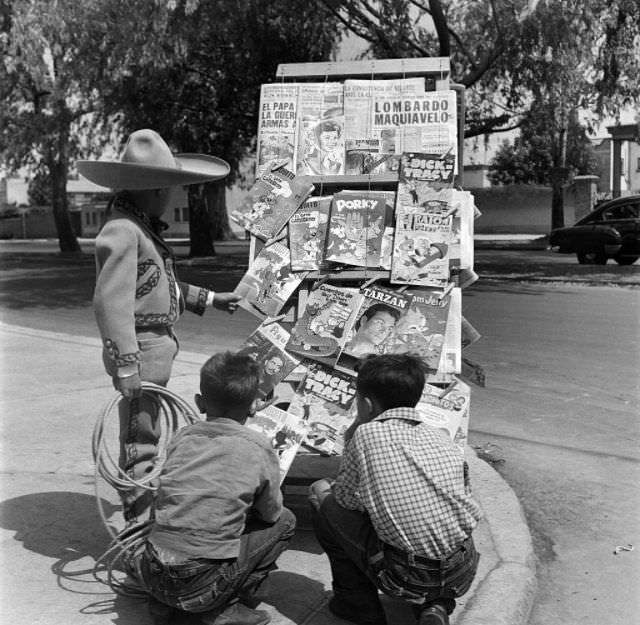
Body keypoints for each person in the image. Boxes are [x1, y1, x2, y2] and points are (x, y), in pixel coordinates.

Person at [78, 129, 242, 522]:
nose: (174, 198)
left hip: (154, 349)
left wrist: (211, 299)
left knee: (147, 430)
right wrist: (126, 365)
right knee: (141, 437)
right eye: (171, 189)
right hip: (141, 351)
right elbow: (112, 302)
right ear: (154, 191)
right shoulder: (122, 231)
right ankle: (137, 522)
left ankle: (144, 511)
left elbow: (156, 286)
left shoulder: (138, 227)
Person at [309, 354, 482, 625]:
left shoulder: (366, 435)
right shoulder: (440, 436)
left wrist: (356, 429)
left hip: (407, 574)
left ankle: (357, 605)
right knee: (426, 527)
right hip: (463, 567)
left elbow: (345, 500)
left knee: (323, 498)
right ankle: (434, 606)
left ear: (366, 405)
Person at [125, 351, 296, 625]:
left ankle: (162, 603)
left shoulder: (183, 437)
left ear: (200, 402)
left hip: (153, 573)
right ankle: (224, 607)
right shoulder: (259, 447)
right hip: (202, 586)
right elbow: (270, 513)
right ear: (254, 406)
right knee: (286, 520)